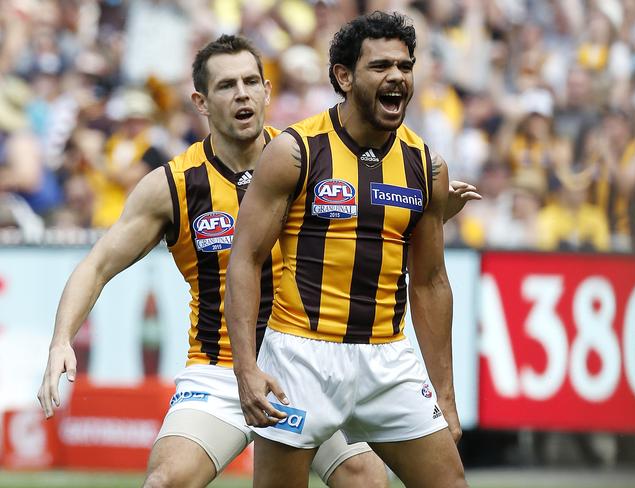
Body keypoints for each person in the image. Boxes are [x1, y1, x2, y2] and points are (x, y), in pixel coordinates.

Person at [37, 34, 478, 488]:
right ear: (201, 102)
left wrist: (434, 211)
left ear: (268, 91)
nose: (243, 93)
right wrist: (60, 340)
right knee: (165, 482)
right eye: (227, 86)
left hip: (307, 365)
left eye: (252, 81)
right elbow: (97, 265)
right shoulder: (173, 185)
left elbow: (373, 237)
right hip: (221, 370)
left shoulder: (307, 155)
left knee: (366, 479)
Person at [225, 12, 468, 488]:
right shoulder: (296, 150)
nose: (396, 76)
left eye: (404, 66)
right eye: (380, 66)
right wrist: (246, 369)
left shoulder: (426, 165)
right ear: (343, 76)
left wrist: (446, 394)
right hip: (301, 357)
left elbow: (431, 282)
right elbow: (246, 260)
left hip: (388, 359)